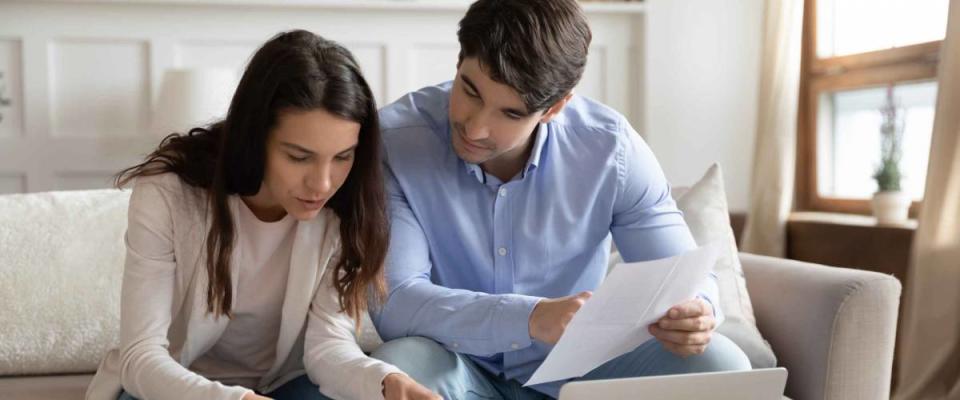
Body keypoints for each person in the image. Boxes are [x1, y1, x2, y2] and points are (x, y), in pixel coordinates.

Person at [369, 1, 752, 399]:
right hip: (456, 367)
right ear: (459, 59)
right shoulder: (396, 142)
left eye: (510, 113)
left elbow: (682, 274)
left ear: (555, 107)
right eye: (470, 90)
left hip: (581, 371)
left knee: (723, 364)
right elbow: (395, 303)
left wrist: (698, 311)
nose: (476, 126)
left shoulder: (611, 152)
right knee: (399, 366)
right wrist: (530, 317)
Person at [85, 30, 439, 400]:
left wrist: (384, 381)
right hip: (172, 386)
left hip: (284, 387)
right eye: (299, 157)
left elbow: (329, 348)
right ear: (255, 138)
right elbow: (141, 357)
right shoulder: (168, 194)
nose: (322, 183)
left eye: (342, 157)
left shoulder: (346, 207)